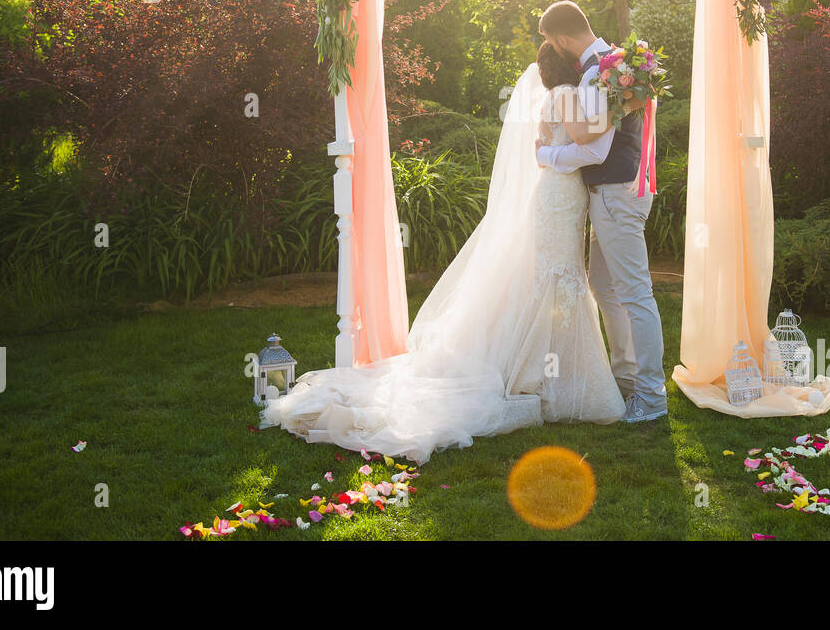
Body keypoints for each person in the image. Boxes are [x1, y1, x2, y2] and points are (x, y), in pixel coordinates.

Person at [257, 44, 624, 464]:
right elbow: (583, 138)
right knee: (560, 278)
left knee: (554, 278)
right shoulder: (564, 94)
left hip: (556, 194)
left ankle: (544, 372)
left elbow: (542, 148)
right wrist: (618, 113)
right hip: (561, 196)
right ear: (569, 67)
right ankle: (555, 379)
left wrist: (554, 149)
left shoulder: (550, 98)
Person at [535, 0, 667, 423]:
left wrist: (548, 154)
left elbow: (594, 147)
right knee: (606, 289)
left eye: (551, 43)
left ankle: (651, 396)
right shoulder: (617, 64)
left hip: (615, 191)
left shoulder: (597, 73)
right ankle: (627, 381)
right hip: (619, 190)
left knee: (634, 293)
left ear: (559, 39)